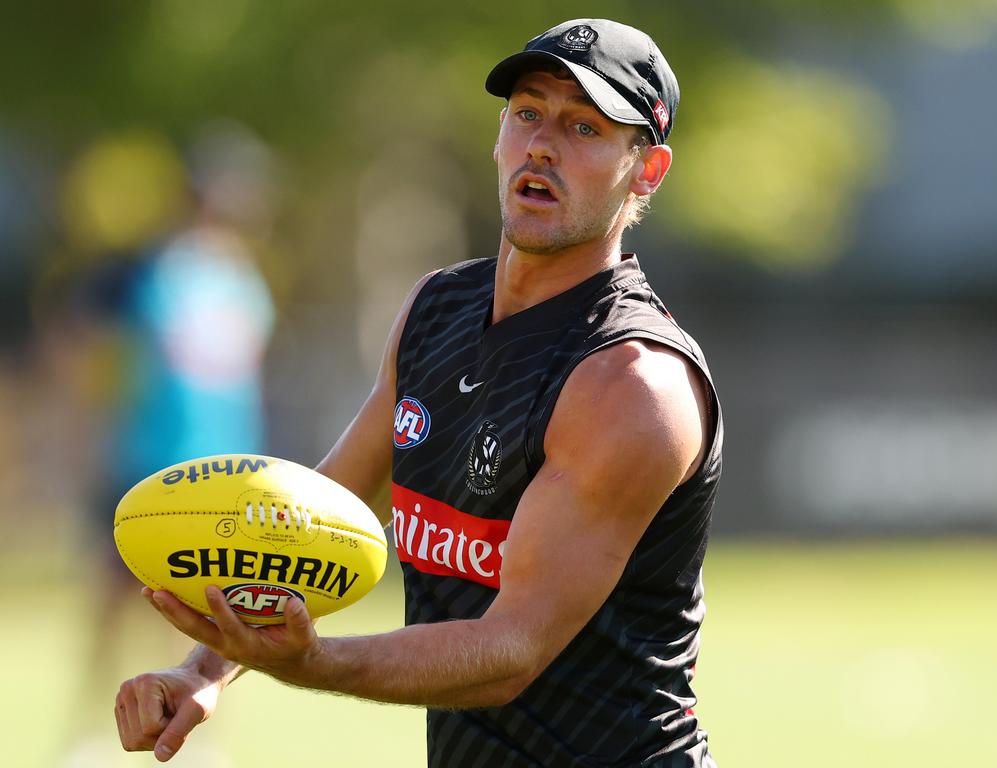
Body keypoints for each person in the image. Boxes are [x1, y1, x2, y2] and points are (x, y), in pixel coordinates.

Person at [114, 18, 722, 767]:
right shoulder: (435, 309)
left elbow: (510, 650)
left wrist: (309, 662)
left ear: (648, 169)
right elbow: (305, 520)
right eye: (528, 112)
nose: (542, 144)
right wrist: (200, 671)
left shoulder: (632, 384)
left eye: (584, 128)